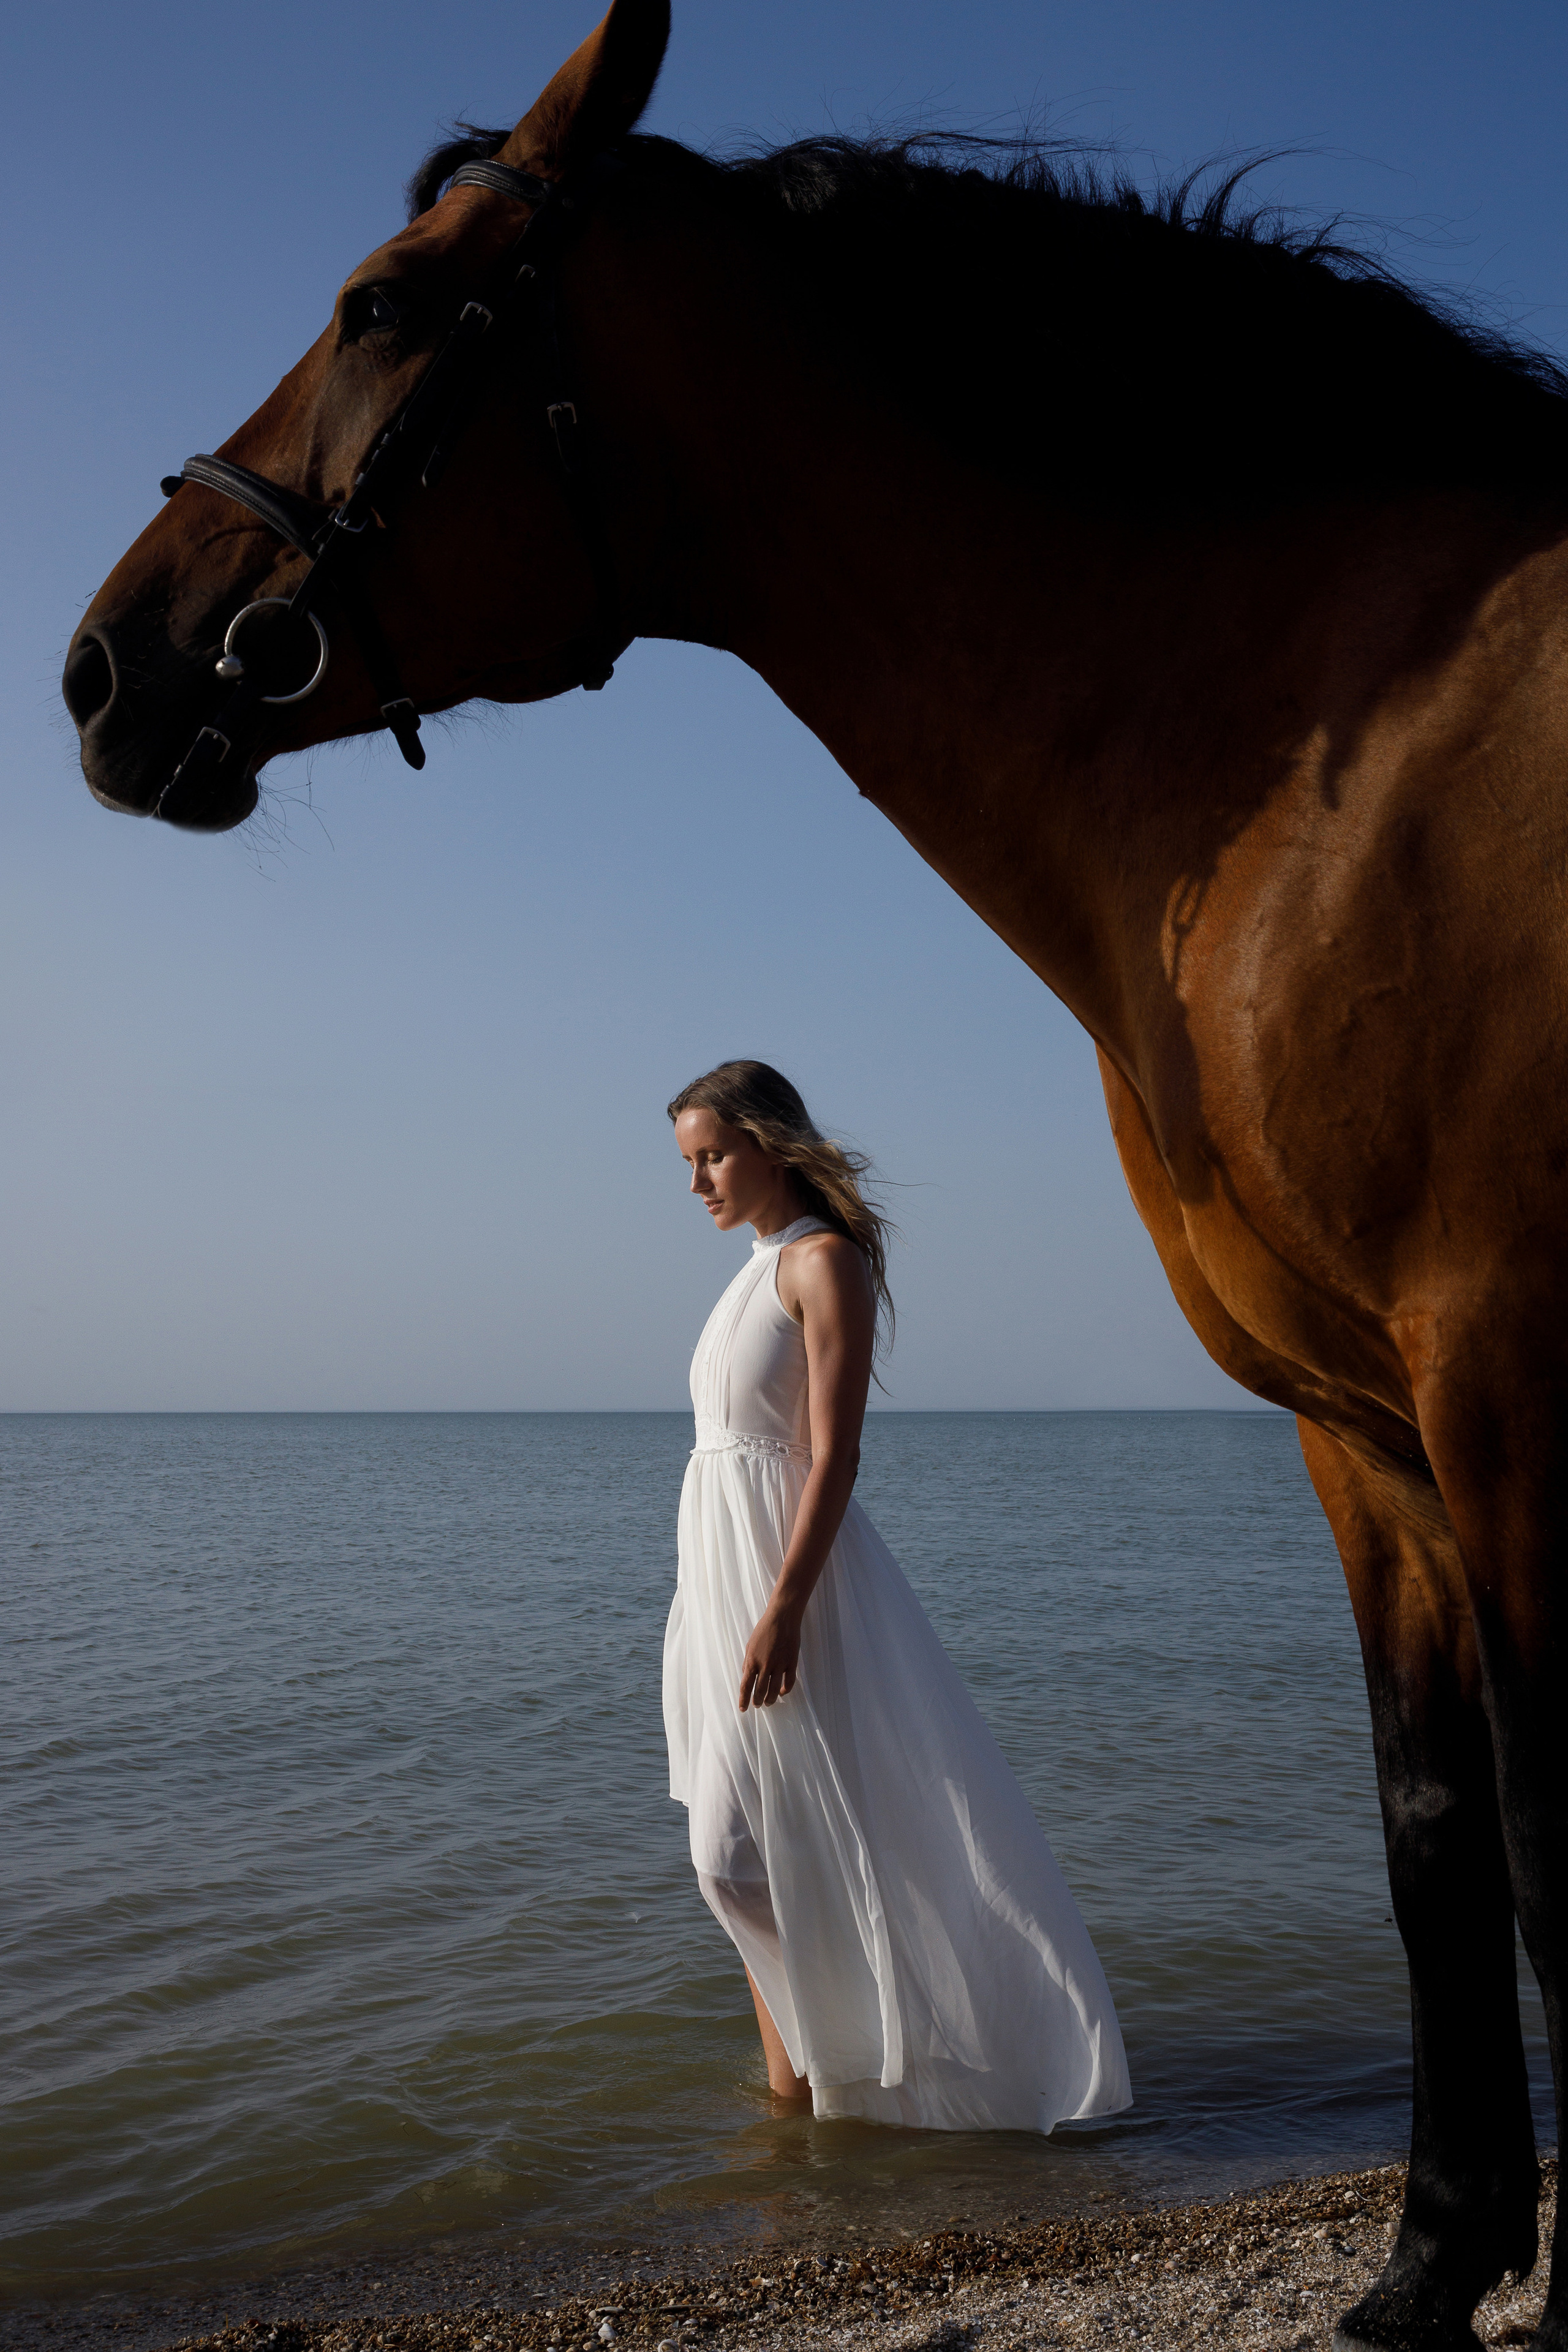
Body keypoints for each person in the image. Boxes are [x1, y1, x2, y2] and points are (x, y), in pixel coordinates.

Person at [662, 1060, 1131, 2131]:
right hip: (723, 1583)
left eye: (713, 1156)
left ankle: (921, 2061)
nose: (698, 1183)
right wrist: (711, 1608)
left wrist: (783, 1605)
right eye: (688, 1164)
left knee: (737, 1857)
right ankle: (806, 2089)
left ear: (772, 1143)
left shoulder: (821, 1264)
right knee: (744, 1858)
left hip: (798, 1587)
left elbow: (833, 1458)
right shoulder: (752, 1267)